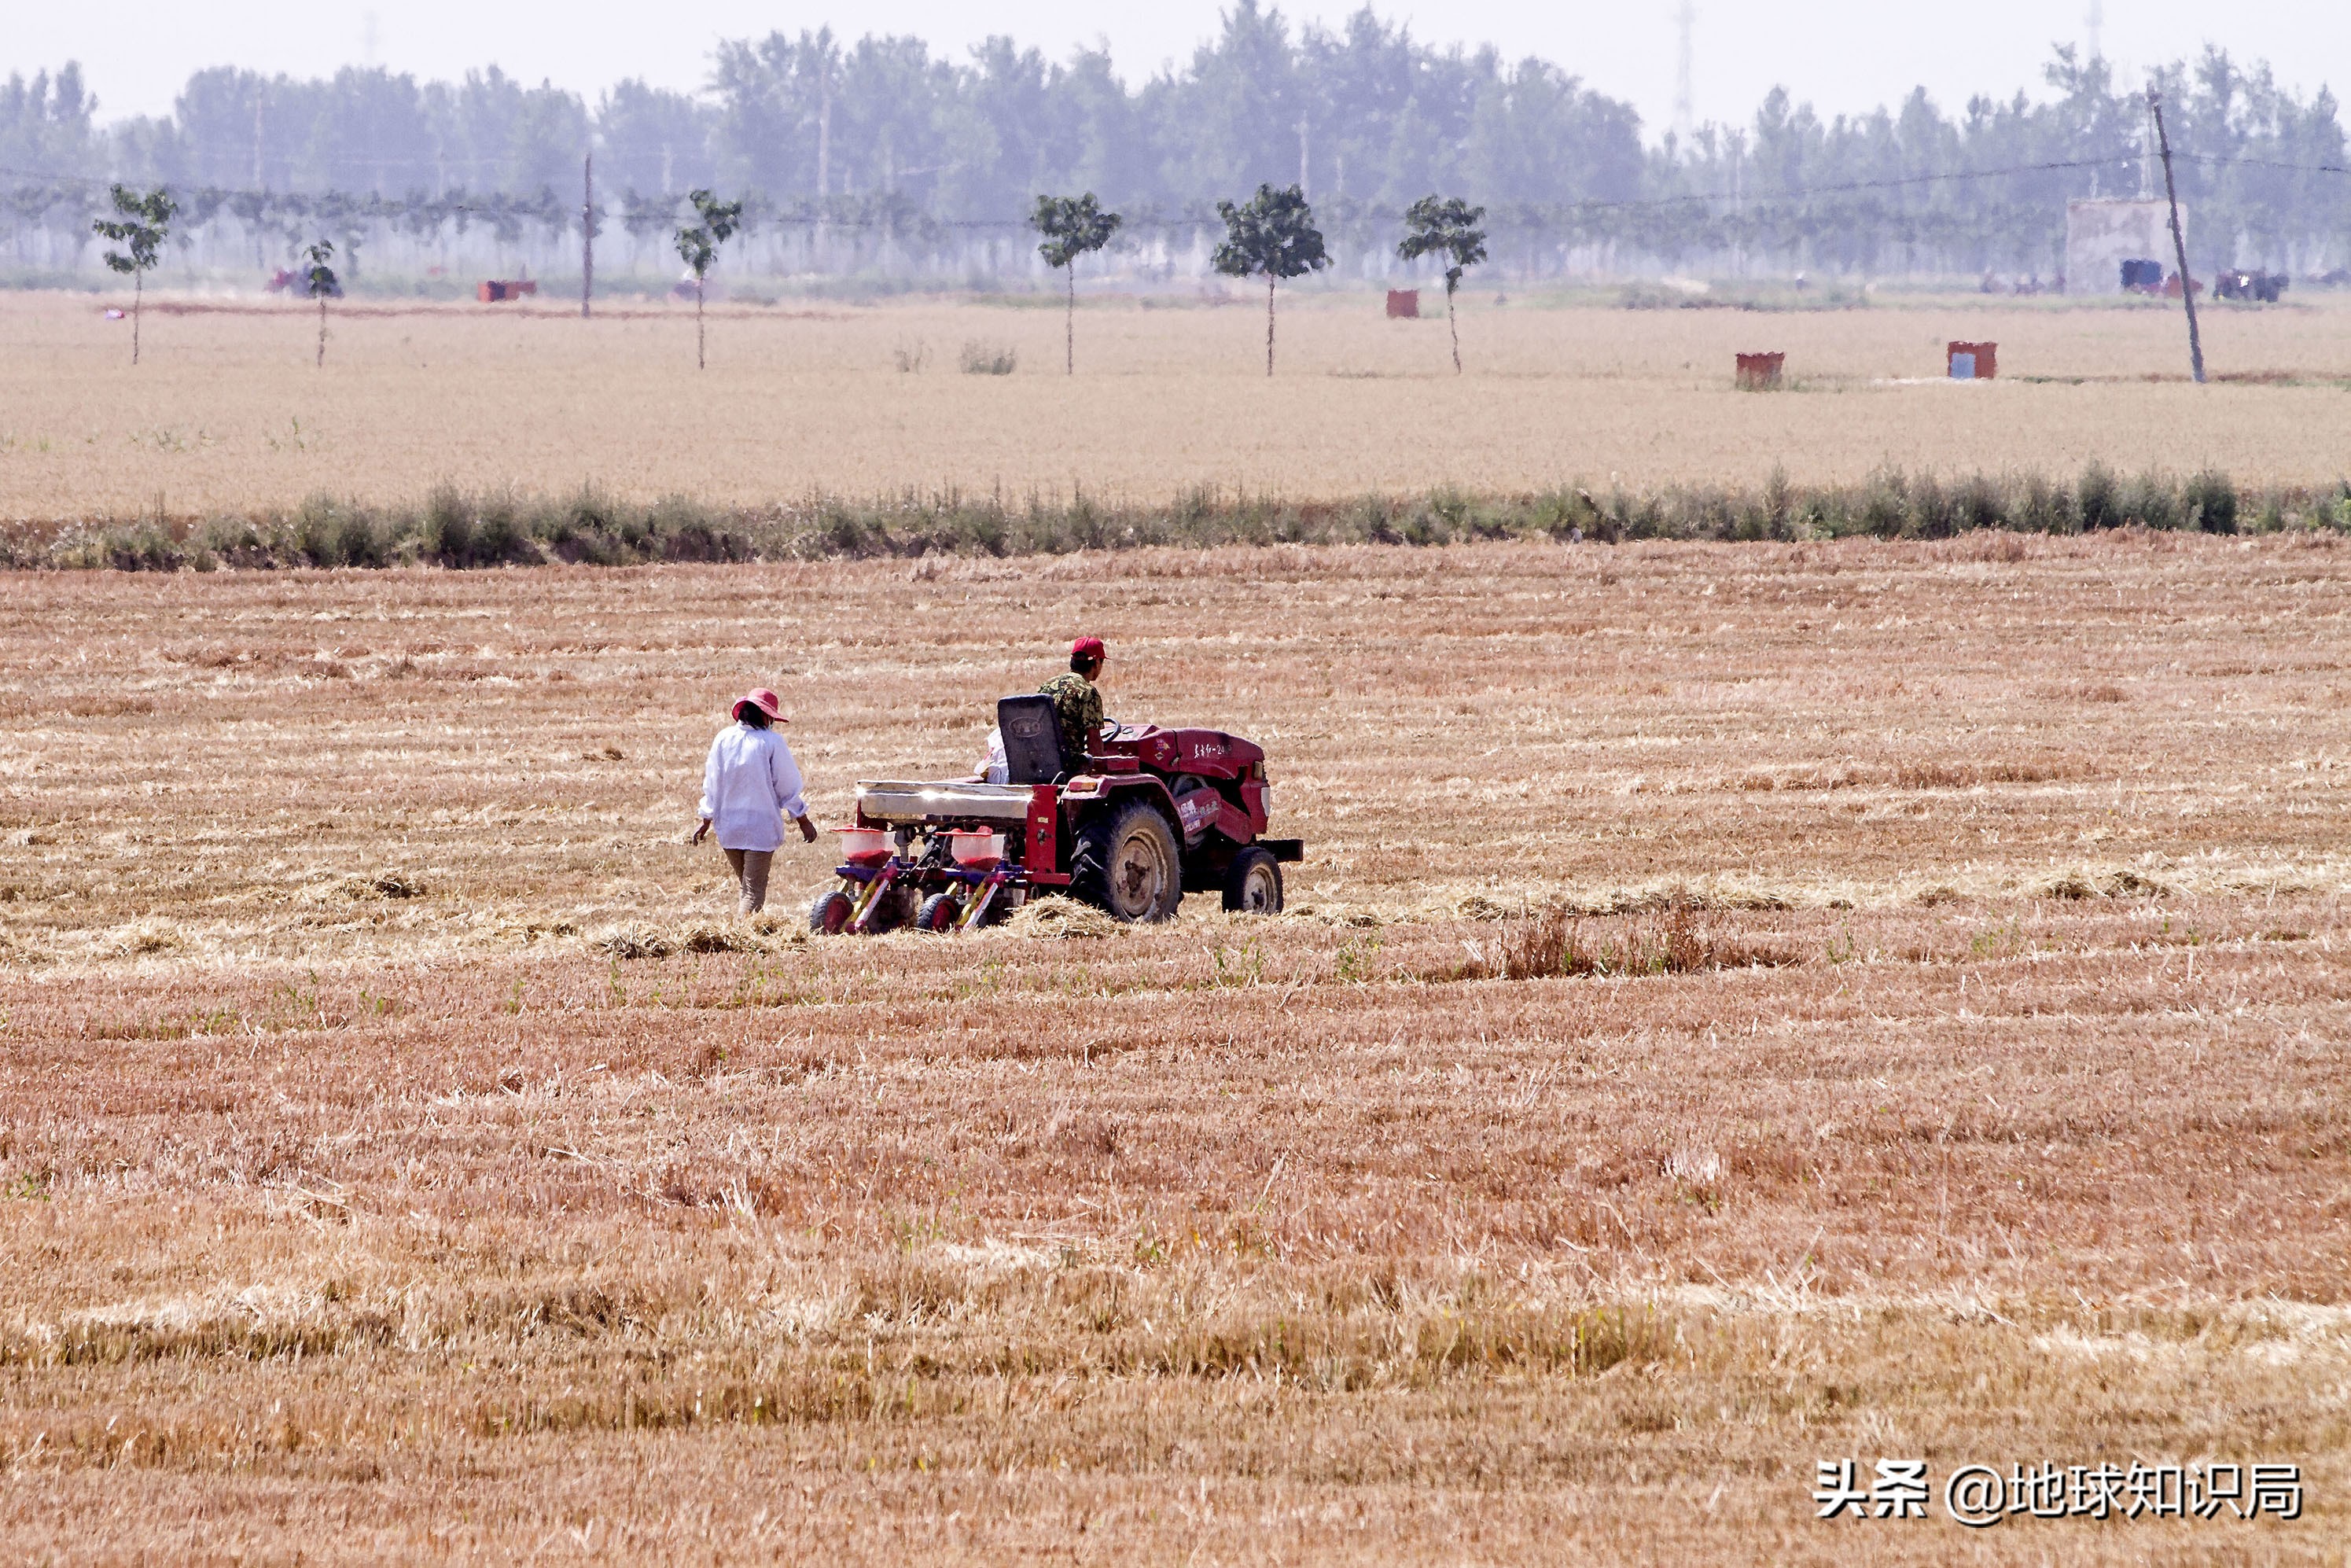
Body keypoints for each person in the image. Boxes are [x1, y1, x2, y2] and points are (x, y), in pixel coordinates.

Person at [690, 688, 816, 915]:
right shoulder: (771, 742)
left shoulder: (723, 739)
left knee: (746, 886)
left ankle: (746, 932)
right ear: (766, 716)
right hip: (760, 828)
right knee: (753, 891)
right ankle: (743, 937)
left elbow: (712, 782)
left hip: (728, 827)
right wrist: (802, 819)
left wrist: (706, 818)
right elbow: (786, 785)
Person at [1039, 635, 1106, 765]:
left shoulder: (1048, 685)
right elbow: (1094, 740)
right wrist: (1100, 769)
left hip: (1041, 763)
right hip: (1070, 765)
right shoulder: (1087, 692)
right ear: (1097, 662)